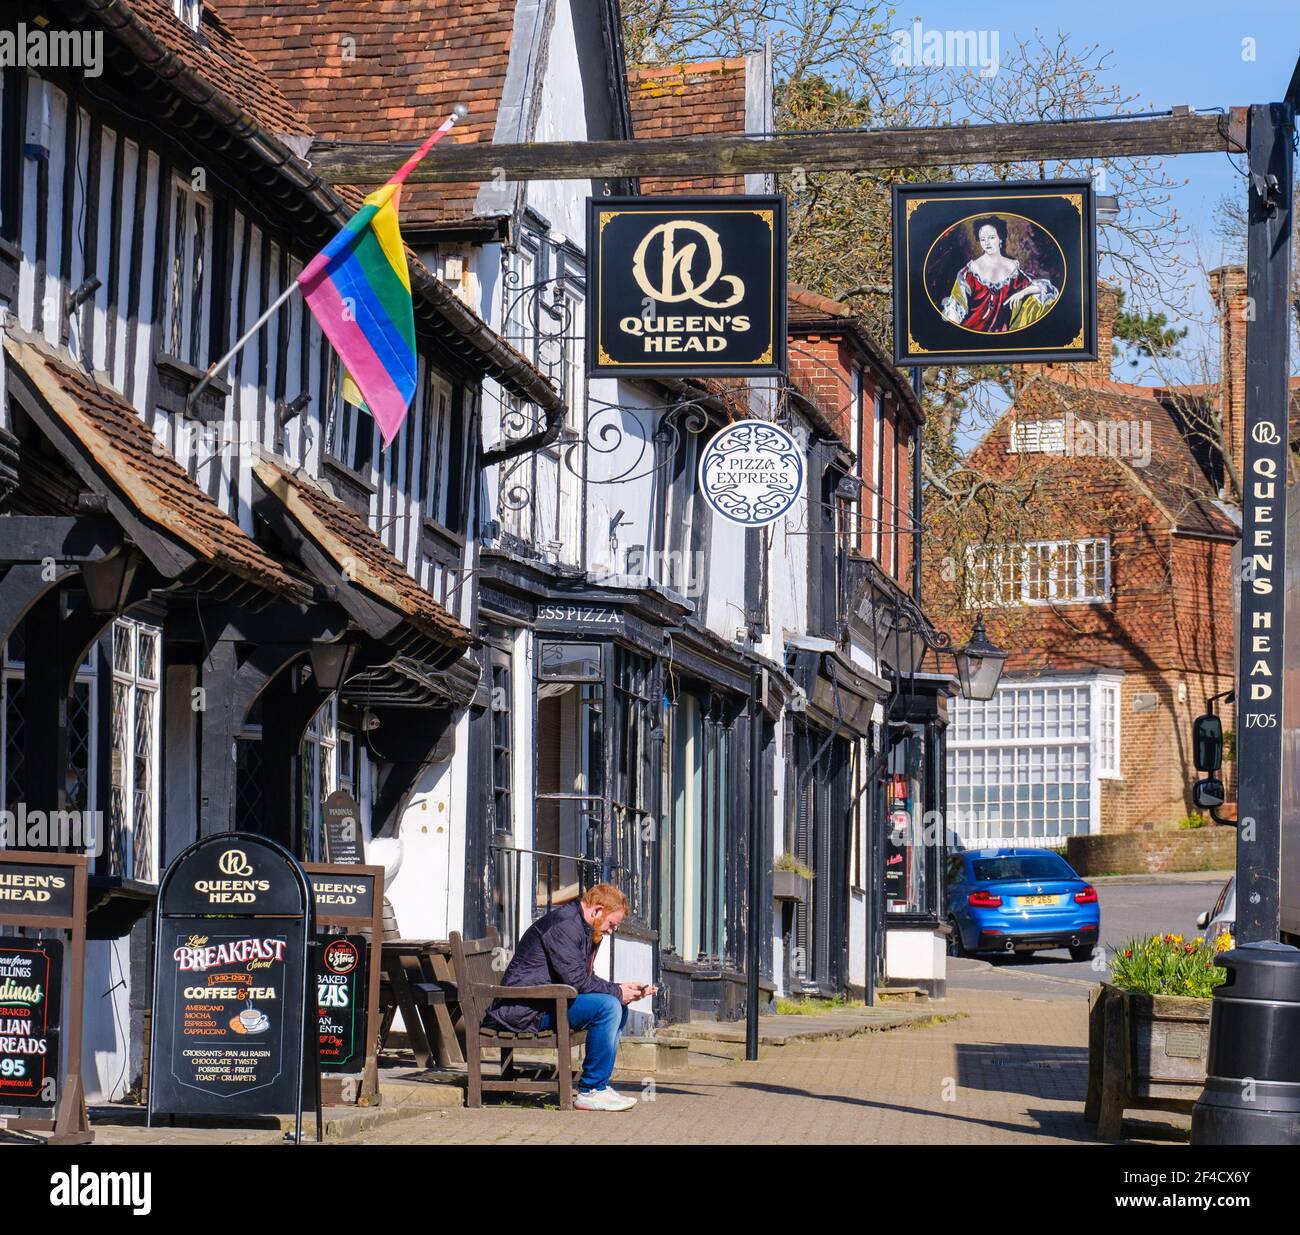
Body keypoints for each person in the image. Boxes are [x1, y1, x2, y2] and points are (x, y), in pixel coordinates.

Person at [486, 883, 653, 1111]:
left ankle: (599, 1085)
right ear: (597, 910)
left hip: (544, 1002)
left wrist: (621, 988)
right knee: (609, 1007)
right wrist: (616, 991)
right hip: (523, 1009)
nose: (611, 930)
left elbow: (582, 977)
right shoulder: (565, 926)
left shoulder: (582, 927)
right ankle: (590, 1091)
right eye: (611, 924)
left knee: (617, 1005)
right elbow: (576, 981)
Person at [940, 215, 1058, 332]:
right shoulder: (969, 272)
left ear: (1000, 238)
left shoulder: (1012, 268)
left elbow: (1042, 288)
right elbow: (957, 305)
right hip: (973, 332)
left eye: (991, 237)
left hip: (1004, 333)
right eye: (983, 239)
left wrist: (1022, 293)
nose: (987, 243)